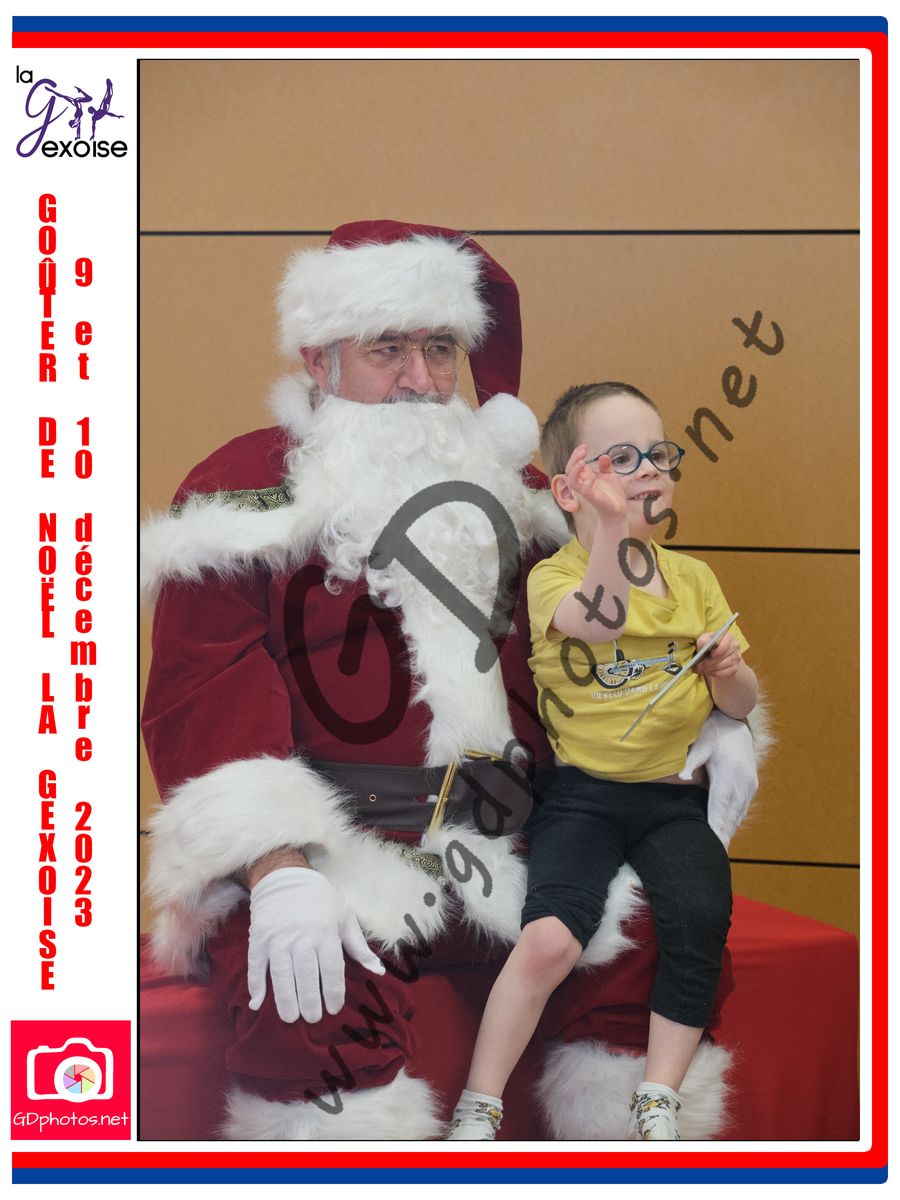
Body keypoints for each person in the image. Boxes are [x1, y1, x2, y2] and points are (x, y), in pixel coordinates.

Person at [141, 222, 765, 1140]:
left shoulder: (524, 493)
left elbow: (621, 633)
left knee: (655, 938)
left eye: (441, 349)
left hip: (523, 838)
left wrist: (709, 715)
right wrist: (278, 869)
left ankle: (626, 1168)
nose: (422, 379)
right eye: (387, 349)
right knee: (310, 1003)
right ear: (318, 358)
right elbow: (204, 696)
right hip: (342, 847)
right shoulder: (241, 495)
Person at [448, 381, 757, 1141]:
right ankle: (480, 1104)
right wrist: (613, 525)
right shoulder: (553, 578)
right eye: (622, 459)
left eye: (659, 455)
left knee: (700, 922)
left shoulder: (693, 579)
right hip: (583, 798)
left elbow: (742, 702)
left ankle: (659, 1095)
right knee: (551, 937)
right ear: (567, 490)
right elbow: (602, 618)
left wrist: (728, 673)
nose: (649, 470)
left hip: (674, 800)